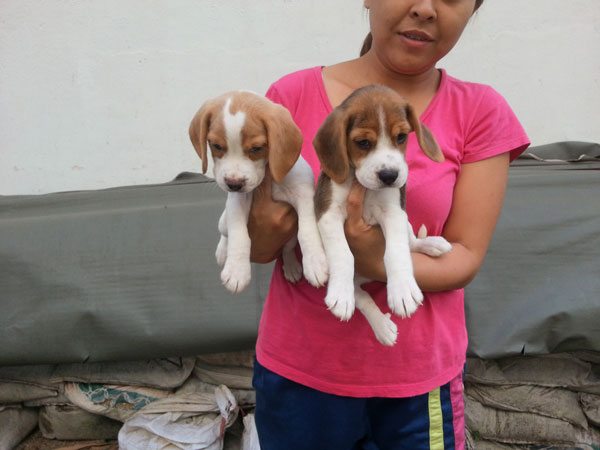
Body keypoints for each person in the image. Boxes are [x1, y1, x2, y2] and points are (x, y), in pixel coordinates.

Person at [248, 1, 529, 448]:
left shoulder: (480, 110)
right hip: (302, 372)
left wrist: (376, 259)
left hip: (416, 377)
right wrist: (285, 216)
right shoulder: (290, 94)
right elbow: (260, 246)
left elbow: (466, 257)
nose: (426, 9)